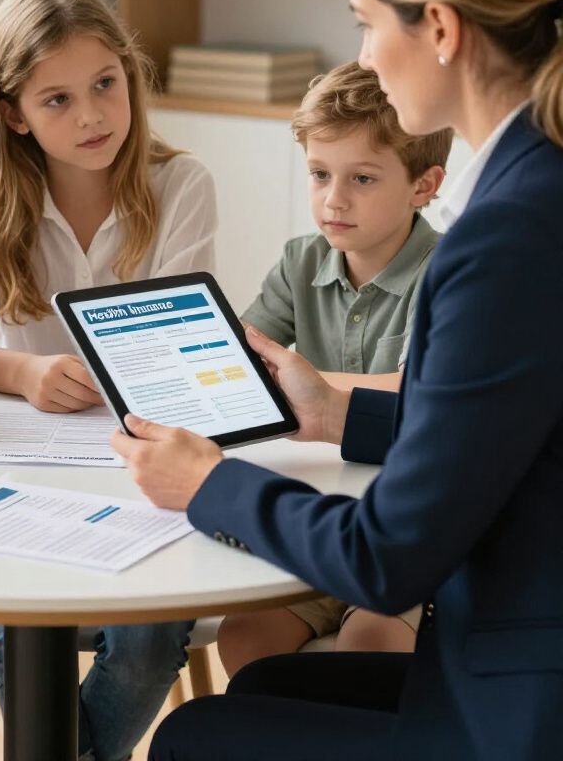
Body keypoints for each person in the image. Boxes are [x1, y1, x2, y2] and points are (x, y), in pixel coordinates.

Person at [114, 0, 563, 760]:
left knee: (195, 740)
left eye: (365, 24)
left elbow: (387, 556)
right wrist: (339, 413)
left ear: (438, 25)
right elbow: (510, 422)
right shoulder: (536, 183)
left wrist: (208, 484)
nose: (361, 54)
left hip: (521, 711)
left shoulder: (507, 232)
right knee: (273, 684)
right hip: (508, 655)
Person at [0, 0, 217, 761]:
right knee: (25, 629)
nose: (91, 116)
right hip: (27, 481)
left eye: (106, 85)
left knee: (151, 642)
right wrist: (25, 376)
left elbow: (188, 343)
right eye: (57, 100)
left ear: (129, 76)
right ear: (13, 112)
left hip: (149, 474)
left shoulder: (180, 185)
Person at [218, 62, 451, 676]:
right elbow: (242, 359)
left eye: (363, 178)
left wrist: (313, 385)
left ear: (423, 186)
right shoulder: (302, 262)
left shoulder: (447, 271)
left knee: (373, 645)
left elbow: (422, 394)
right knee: (245, 638)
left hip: (409, 532)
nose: (333, 199)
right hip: (324, 518)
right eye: (319, 175)